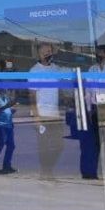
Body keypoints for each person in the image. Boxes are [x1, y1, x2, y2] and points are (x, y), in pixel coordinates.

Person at [70, 44, 105, 180]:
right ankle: (91, 172)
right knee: (93, 143)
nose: (97, 55)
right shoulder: (92, 69)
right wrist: (89, 109)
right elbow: (88, 92)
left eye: (100, 53)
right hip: (95, 108)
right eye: (97, 53)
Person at [28, 42, 64, 180]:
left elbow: (63, 85)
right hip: (42, 114)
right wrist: (36, 118)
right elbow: (32, 96)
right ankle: (46, 172)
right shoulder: (34, 71)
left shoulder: (56, 69)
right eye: (44, 52)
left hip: (55, 114)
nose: (47, 54)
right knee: (44, 146)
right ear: (39, 54)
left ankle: (47, 170)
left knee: (59, 145)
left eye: (49, 51)